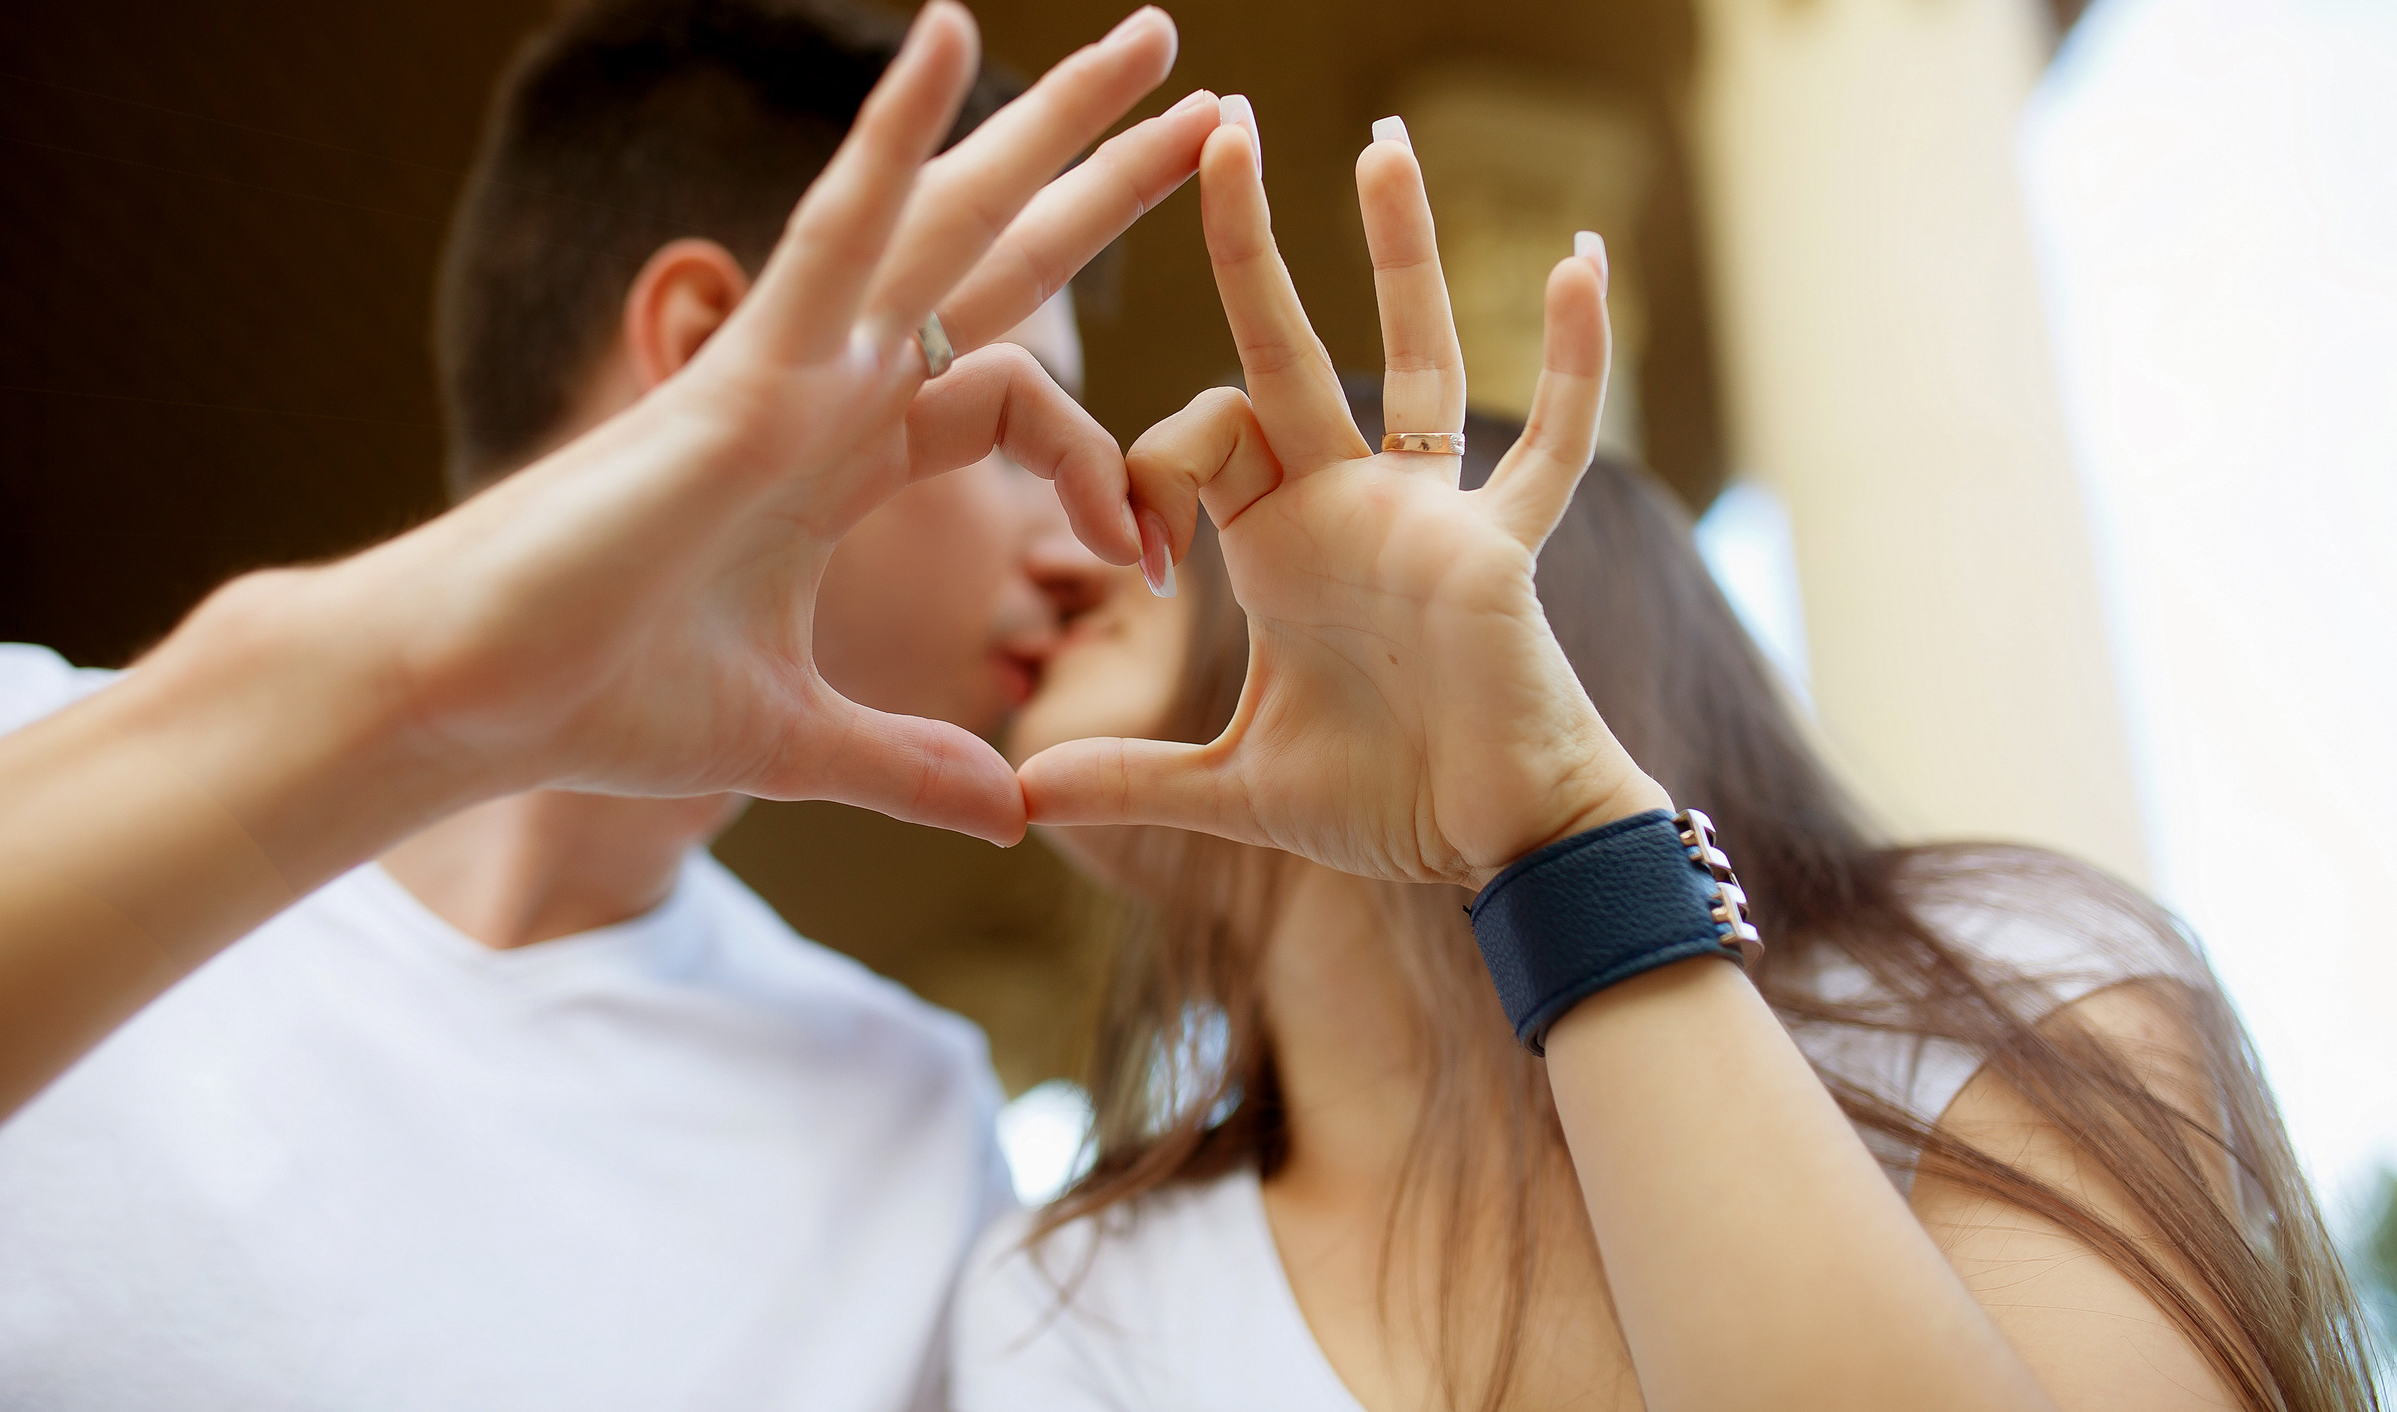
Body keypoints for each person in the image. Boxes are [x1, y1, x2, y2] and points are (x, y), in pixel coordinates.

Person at [0, 0, 1222, 1409]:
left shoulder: (915, 1143)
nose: (1078, 542)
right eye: (997, 424)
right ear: (700, 351)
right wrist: (406, 707)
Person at [951, 107, 2380, 1410]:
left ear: (1558, 620)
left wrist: (1567, 853)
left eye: (1285, 534)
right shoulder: (1068, 1296)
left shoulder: (1993, 978)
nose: (1085, 537)